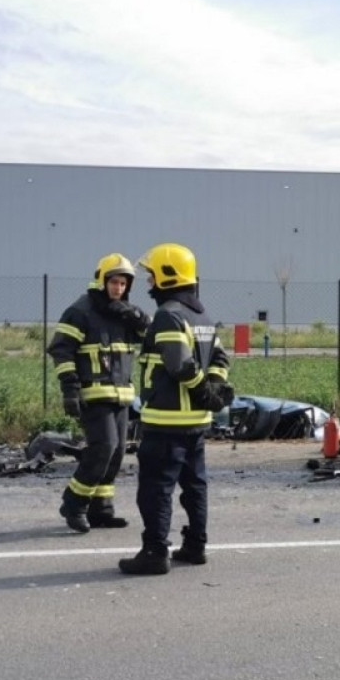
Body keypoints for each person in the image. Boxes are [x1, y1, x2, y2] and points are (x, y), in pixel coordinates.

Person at [119, 243, 232, 576]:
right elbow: (220, 359)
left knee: (156, 490)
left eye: (152, 275)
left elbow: (180, 365)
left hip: (166, 421)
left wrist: (203, 392)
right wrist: (212, 390)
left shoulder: (169, 315)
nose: (148, 282)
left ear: (167, 276)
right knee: (195, 486)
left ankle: (154, 553)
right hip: (196, 423)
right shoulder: (202, 316)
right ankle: (195, 547)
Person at [47, 253, 150, 533]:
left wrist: (136, 316)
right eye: (114, 282)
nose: (119, 288)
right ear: (102, 281)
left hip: (122, 396)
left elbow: (149, 335)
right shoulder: (81, 311)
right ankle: (74, 503)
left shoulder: (124, 312)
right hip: (93, 396)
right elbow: (61, 349)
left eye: (123, 284)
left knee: (116, 452)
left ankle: (101, 509)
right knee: (103, 447)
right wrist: (70, 390)